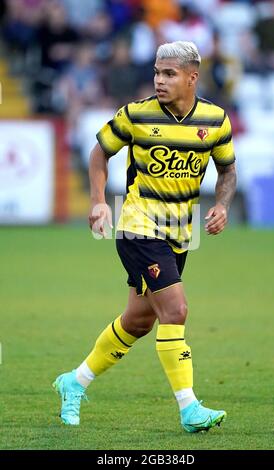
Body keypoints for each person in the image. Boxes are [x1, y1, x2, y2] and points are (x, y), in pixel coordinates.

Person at [53, 41, 237, 433]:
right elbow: (100, 152)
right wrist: (98, 201)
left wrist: (222, 204)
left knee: (138, 321)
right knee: (176, 311)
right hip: (138, 226)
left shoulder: (215, 119)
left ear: (192, 77)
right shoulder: (135, 115)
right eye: (156, 72)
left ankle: (75, 381)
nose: (159, 80)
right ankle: (189, 409)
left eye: (169, 74)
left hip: (180, 233)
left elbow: (227, 170)